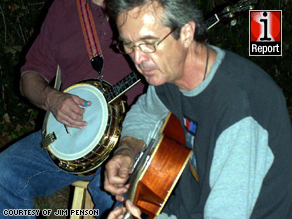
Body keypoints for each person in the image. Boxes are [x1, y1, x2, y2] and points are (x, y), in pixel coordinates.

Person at [103, 0, 292, 218]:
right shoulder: (169, 75)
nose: (138, 59)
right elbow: (146, 112)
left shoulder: (240, 111)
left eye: (149, 43)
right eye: (129, 45)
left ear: (186, 33)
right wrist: (127, 149)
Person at [0, 0, 145, 218]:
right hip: (70, 135)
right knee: (4, 172)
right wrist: (51, 98)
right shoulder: (63, 7)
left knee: (114, 195)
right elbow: (29, 76)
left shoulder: (146, 6)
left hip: (131, 136)